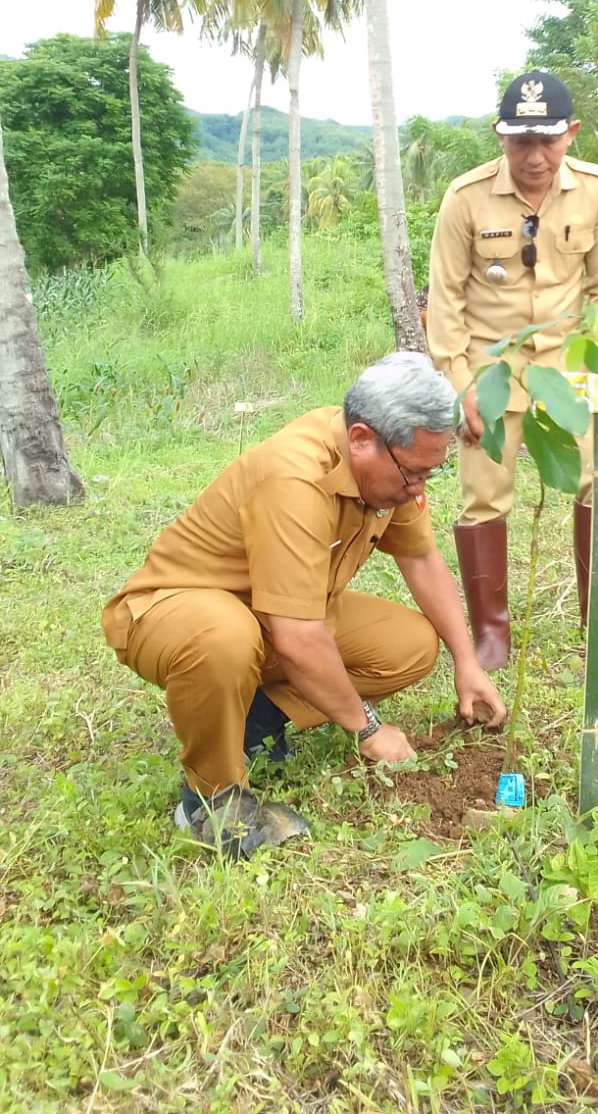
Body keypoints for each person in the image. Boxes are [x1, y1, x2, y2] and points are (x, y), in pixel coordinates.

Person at [101, 352, 506, 855]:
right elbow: (296, 638)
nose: (419, 487)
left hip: (273, 617)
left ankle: (255, 721)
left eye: (432, 472)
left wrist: (466, 663)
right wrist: (367, 729)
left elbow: (422, 559)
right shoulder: (294, 478)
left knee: (411, 645)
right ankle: (208, 801)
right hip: (175, 611)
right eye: (413, 474)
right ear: (361, 439)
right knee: (225, 638)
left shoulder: (390, 476)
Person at [427, 69, 598, 669]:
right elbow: (445, 301)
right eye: (520, 141)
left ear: (571, 133)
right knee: (484, 493)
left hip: (566, 366)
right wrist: (460, 389)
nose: (534, 156)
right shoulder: (465, 198)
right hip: (488, 367)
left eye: (548, 140)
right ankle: (491, 635)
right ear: (500, 137)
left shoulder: (596, 192)